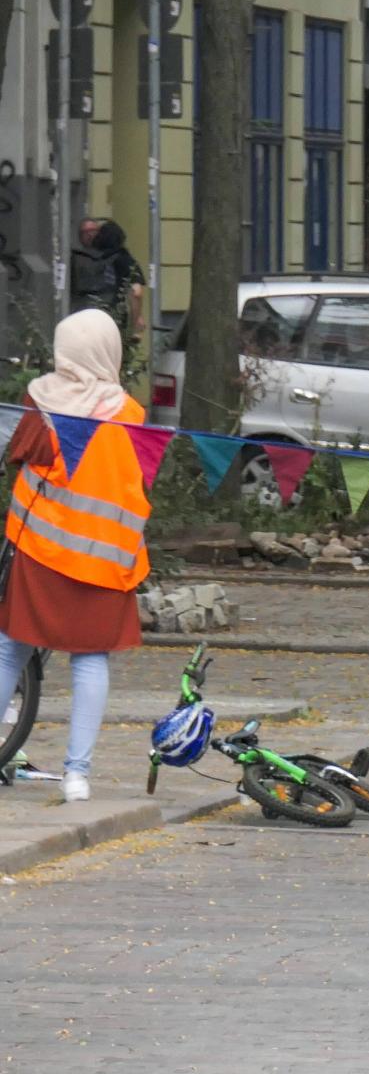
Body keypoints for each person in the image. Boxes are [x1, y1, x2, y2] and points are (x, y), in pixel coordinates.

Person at [0, 309, 151, 802]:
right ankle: (77, 776)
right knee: (90, 661)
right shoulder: (131, 414)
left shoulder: (41, 401)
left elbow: (17, 457)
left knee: (9, 651)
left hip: (40, 549)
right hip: (106, 560)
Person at [71, 219, 144, 328]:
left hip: (81, 318)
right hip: (112, 319)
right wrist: (136, 320)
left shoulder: (79, 259)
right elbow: (136, 292)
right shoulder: (123, 258)